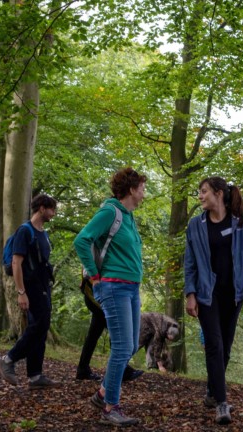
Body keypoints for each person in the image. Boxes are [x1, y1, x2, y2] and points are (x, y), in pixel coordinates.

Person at [184, 177, 243, 425]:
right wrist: (190, 294)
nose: (200, 196)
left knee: (225, 348)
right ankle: (221, 403)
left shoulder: (241, 223)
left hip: (235, 294)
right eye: (200, 192)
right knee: (214, 345)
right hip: (207, 294)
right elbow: (190, 263)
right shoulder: (195, 225)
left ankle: (211, 391)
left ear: (218, 194)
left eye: (204, 191)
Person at [74, 167, 147, 427]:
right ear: (130, 189)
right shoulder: (111, 211)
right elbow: (82, 240)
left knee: (129, 346)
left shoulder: (128, 217)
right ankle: (110, 408)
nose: (144, 192)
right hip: (113, 287)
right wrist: (94, 277)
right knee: (120, 348)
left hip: (130, 288)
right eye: (142, 187)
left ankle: (103, 393)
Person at [0, 194, 60, 390]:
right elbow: (16, 262)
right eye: (52, 209)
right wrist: (21, 291)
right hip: (31, 286)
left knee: (40, 328)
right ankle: (8, 359)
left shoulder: (44, 233)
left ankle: (35, 375)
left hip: (43, 285)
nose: (54, 213)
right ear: (42, 208)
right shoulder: (25, 231)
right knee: (40, 325)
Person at [75, 276, 144, 382]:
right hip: (97, 295)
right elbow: (90, 268)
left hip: (97, 295)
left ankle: (83, 369)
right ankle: (122, 370)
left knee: (94, 333)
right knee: (118, 330)